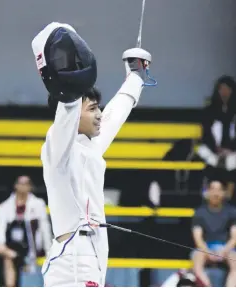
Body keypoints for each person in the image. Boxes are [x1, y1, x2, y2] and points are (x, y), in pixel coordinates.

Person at [31, 22, 154, 287]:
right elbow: (68, 108)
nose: (99, 115)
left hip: (94, 252)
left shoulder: (90, 146)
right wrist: (70, 83)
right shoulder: (57, 149)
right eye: (93, 109)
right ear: (74, 112)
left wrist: (135, 77)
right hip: (72, 261)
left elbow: (115, 114)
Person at [0, 175, 52, 287]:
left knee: (8, 257)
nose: (23, 186)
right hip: (8, 246)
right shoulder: (4, 206)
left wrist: (49, 251)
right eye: (21, 183)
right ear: (16, 186)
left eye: (26, 183)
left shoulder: (38, 204)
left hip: (29, 247)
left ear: (30, 187)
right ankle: (6, 252)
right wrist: (1, 246)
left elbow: (45, 228)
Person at [191, 179, 236, 287]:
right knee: (197, 261)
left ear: (224, 192)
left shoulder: (232, 211)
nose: (216, 193)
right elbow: (198, 238)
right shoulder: (199, 212)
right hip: (205, 248)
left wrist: (224, 251)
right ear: (207, 192)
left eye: (219, 190)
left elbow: (234, 237)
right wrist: (208, 252)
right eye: (213, 189)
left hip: (226, 248)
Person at [198, 75, 236, 199]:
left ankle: (230, 199)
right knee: (207, 160)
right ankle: (208, 197)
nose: (224, 92)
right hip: (213, 150)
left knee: (232, 164)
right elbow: (206, 135)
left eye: (227, 89)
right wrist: (216, 149)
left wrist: (229, 149)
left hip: (232, 152)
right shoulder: (209, 111)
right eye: (221, 89)